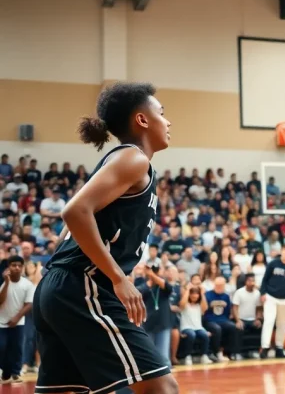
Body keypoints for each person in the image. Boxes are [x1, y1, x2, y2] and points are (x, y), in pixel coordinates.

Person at [32, 82, 178, 394]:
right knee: (161, 388)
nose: (168, 122)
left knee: (69, 390)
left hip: (58, 286)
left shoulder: (119, 162)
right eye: (162, 114)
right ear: (142, 120)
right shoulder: (134, 159)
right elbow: (73, 213)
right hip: (82, 285)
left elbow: (67, 234)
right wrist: (117, 277)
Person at [260, 245, 285, 359]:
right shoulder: (273, 264)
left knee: (282, 324)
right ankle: (265, 347)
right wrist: (263, 293)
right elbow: (265, 279)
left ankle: (279, 348)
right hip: (270, 297)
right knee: (269, 321)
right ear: (282, 251)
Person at [0, 256, 35, 384]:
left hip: (18, 323)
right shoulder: (2, 282)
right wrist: (7, 283)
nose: (17, 268)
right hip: (1, 322)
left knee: (16, 348)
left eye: (19, 265)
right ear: (8, 267)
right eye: (13, 265)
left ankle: (15, 373)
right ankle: (5, 372)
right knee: (2, 347)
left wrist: (17, 318)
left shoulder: (27, 284)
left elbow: (29, 304)